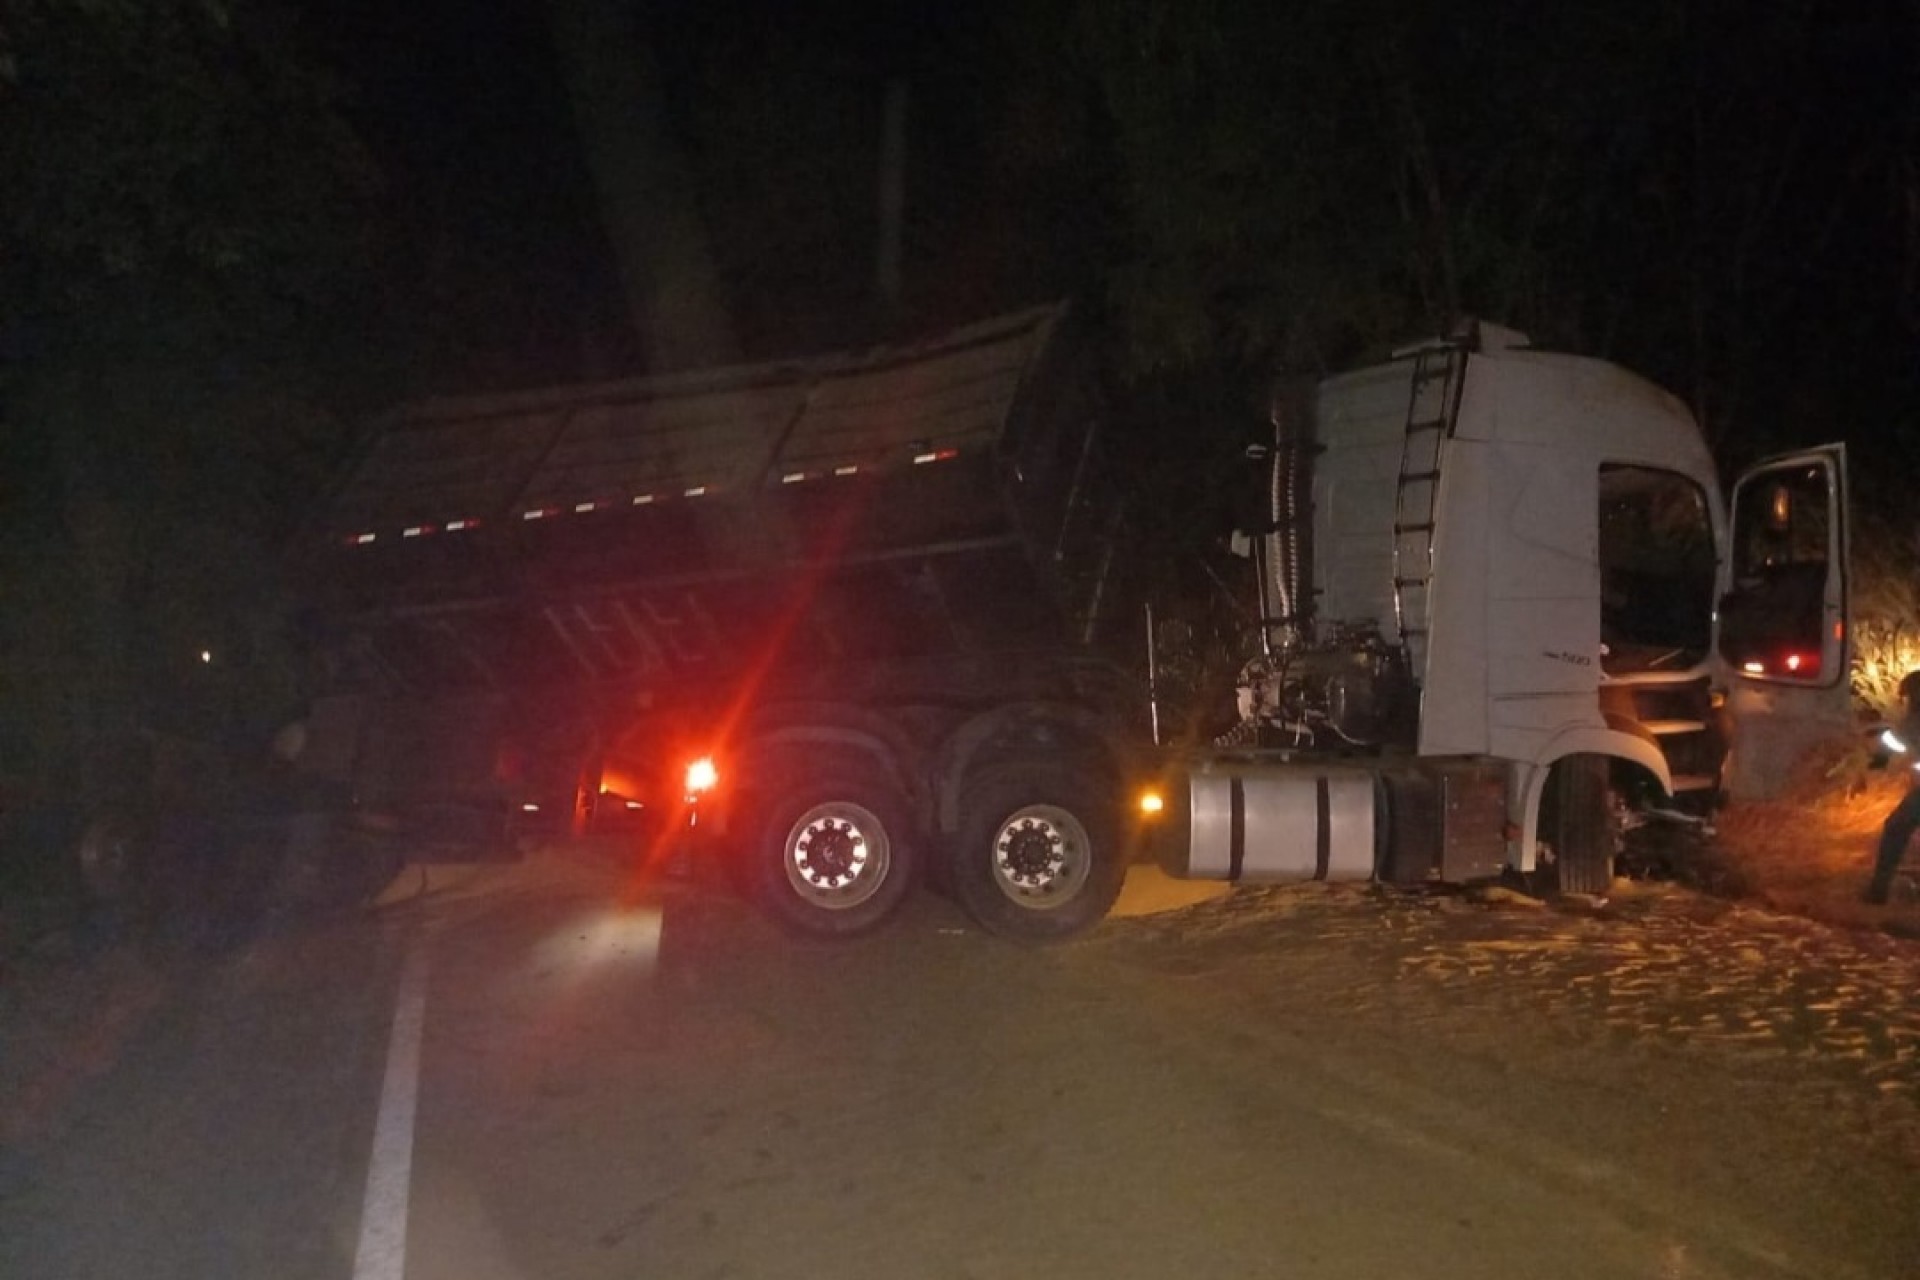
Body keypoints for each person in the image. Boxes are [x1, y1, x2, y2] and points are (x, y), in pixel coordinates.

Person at [1866, 670, 1920, 905]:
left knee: (1897, 827)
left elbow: (1895, 739)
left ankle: (1878, 890)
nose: (1905, 703)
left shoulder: (1915, 720)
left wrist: (1878, 760)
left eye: (1906, 697)